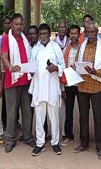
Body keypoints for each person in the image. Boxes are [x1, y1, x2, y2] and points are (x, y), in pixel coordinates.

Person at [74, 21, 101, 160]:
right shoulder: (82, 46)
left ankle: (100, 147)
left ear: (97, 31)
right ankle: (84, 143)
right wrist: (75, 67)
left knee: (98, 118)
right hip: (82, 85)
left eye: (93, 32)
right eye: (88, 32)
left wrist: (95, 71)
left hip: (97, 86)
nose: (90, 35)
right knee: (83, 116)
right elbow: (77, 62)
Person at [28, 23, 65, 156]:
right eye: (41, 34)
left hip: (52, 87)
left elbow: (63, 66)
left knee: (54, 117)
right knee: (39, 117)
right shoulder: (35, 49)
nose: (43, 36)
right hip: (38, 87)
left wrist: (56, 68)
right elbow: (30, 66)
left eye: (45, 34)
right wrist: (30, 72)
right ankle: (40, 143)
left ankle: (55, 142)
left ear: (50, 34)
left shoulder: (56, 48)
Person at [1, 13, 35, 153]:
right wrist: (10, 67)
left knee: (27, 112)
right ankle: (10, 139)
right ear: (12, 25)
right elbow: (3, 56)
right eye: (16, 24)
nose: (19, 26)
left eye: (21, 24)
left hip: (26, 81)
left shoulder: (25, 39)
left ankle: (27, 137)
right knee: (11, 113)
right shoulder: (6, 38)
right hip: (12, 81)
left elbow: (30, 57)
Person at [60, 24, 81, 147]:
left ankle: (84, 136)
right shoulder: (65, 50)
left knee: (83, 112)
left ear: (79, 34)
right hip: (69, 84)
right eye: (71, 33)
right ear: (69, 34)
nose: (73, 36)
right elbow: (63, 68)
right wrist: (62, 88)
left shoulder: (83, 48)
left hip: (81, 84)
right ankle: (68, 135)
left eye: (75, 33)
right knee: (68, 111)